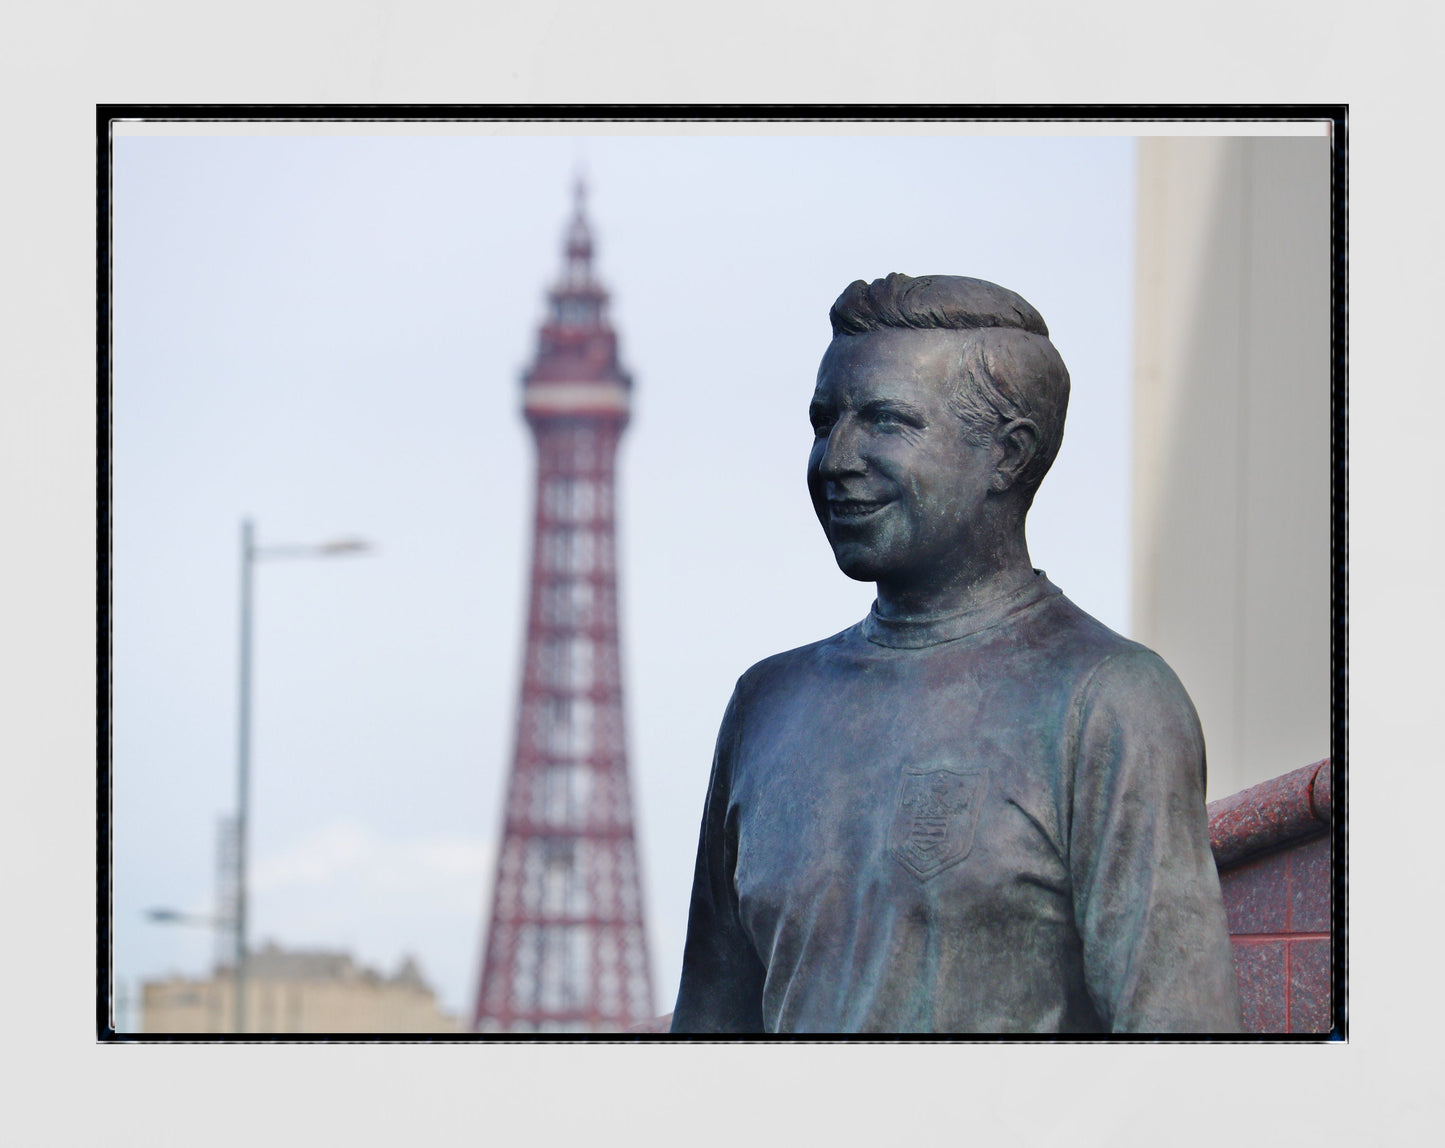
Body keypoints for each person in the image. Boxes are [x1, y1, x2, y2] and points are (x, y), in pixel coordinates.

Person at [670, 273, 1242, 1034]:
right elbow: (708, 1037)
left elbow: (1182, 1044)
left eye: (886, 422)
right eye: (824, 422)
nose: (836, 459)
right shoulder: (765, 705)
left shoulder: (1110, 702)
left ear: (1008, 454)